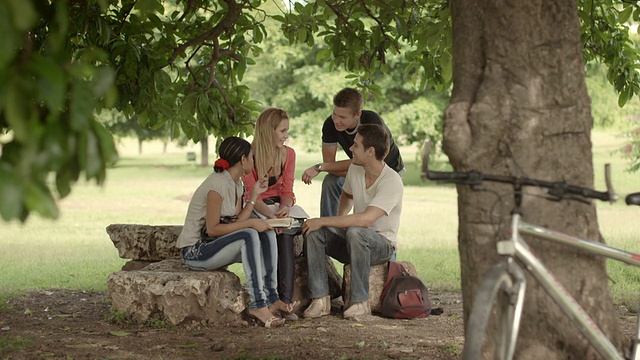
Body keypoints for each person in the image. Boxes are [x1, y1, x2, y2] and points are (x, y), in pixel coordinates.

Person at [176, 136, 292, 328]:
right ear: (243, 160)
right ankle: (257, 304)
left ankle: (271, 297)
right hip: (195, 252)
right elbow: (213, 229)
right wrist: (252, 224)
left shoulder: (237, 183)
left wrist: (254, 195)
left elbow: (238, 220)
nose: (254, 162)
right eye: (252, 157)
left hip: (214, 247)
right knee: (250, 233)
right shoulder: (216, 185)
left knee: (266, 233)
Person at [301, 124, 403, 320]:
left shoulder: (391, 181)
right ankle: (320, 300)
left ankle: (360, 303)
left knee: (356, 231)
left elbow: (365, 220)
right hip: (353, 239)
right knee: (314, 232)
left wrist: (324, 220)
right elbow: (347, 195)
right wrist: (336, 223)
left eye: (356, 145)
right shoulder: (356, 169)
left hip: (381, 246)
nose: (350, 149)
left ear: (370, 152)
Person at [301, 87, 404, 218]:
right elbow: (331, 165)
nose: (336, 120)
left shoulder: (372, 121)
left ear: (357, 115)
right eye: (334, 114)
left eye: (342, 117)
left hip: (387, 170)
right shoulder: (330, 124)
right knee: (331, 181)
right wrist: (335, 168)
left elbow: (370, 160)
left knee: (372, 220)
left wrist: (320, 167)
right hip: (360, 167)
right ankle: (327, 228)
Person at [242, 108, 306, 320]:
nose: (286, 136)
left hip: (279, 208)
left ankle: (284, 301)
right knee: (271, 231)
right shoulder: (249, 156)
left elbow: (287, 191)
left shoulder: (289, 154)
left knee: (286, 232)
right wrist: (271, 219)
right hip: (257, 208)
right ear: (268, 131)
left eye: (286, 130)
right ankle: (272, 300)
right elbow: (251, 195)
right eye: (282, 131)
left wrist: (285, 207)